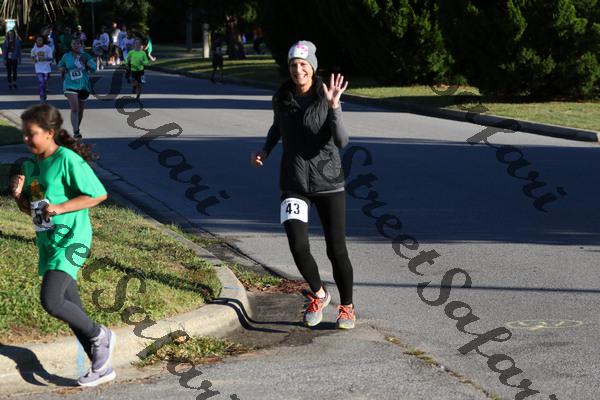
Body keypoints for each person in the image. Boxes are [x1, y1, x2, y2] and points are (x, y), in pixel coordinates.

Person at [251, 40, 356, 329]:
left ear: (313, 67)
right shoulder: (282, 97)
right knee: (298, 245)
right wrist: (265, 150)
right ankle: (319, 294)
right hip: (294, 181)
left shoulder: (326, 96)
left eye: (303, 64)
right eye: (293, 65)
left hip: (329, 183)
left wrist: (334, 107)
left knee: (336, 250)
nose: (298, 70)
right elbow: (277, 127)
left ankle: (347, 307)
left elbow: (342, 141)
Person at [9, 104, 116, 387]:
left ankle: (101, 334)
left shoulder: (67, 159)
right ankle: (101, 366)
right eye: (24, 133)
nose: (26, 139)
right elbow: (34, 209)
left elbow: (98, 194)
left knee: (52, 300)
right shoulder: (31, 166)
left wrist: (61, 207)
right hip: (48, 242)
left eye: (31, 133)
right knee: (72, 307)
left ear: (50, 132)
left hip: (72, 240)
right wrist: (18, 196)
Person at [58, 38, 97, 139]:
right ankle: (76, 132)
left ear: (81, 45)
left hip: (83, 85)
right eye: (74, 43)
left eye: (78, 43)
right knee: (75, 108)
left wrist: (87, 64)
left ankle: (76, 128)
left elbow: (94, 68)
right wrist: (63, 69)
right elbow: (60, 66)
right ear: (71, 45)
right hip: (70, 85)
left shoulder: (85, 56)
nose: (76, 45)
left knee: (80, 110)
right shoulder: (66, 56)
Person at [30, 34, 54, 103]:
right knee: (41, 82)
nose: (39, 41)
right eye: (38, 40)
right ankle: (42, 97)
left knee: (44, 82)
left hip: (46, 69)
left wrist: (44, 59)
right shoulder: (34, 49)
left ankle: (44, 94)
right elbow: (33, 58)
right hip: (38, 69)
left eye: (41, 40)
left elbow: (51, 58)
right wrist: (35, 60)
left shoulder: (47, 48)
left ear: (43, 41)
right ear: (36, 41)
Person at [125, 38, 149, 102]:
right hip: (133, 70)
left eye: (139, 43)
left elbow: (146, 61)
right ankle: (134, 87)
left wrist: (143, 62)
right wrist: (126, 64)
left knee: (140, 83)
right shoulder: (131, 52)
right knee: (134, 81)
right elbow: (127, 59)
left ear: (140, 45)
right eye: (136, 43)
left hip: (141, 70)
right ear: (134, 45)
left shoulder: (143, 53)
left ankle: (138, 95)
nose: (137, 44)